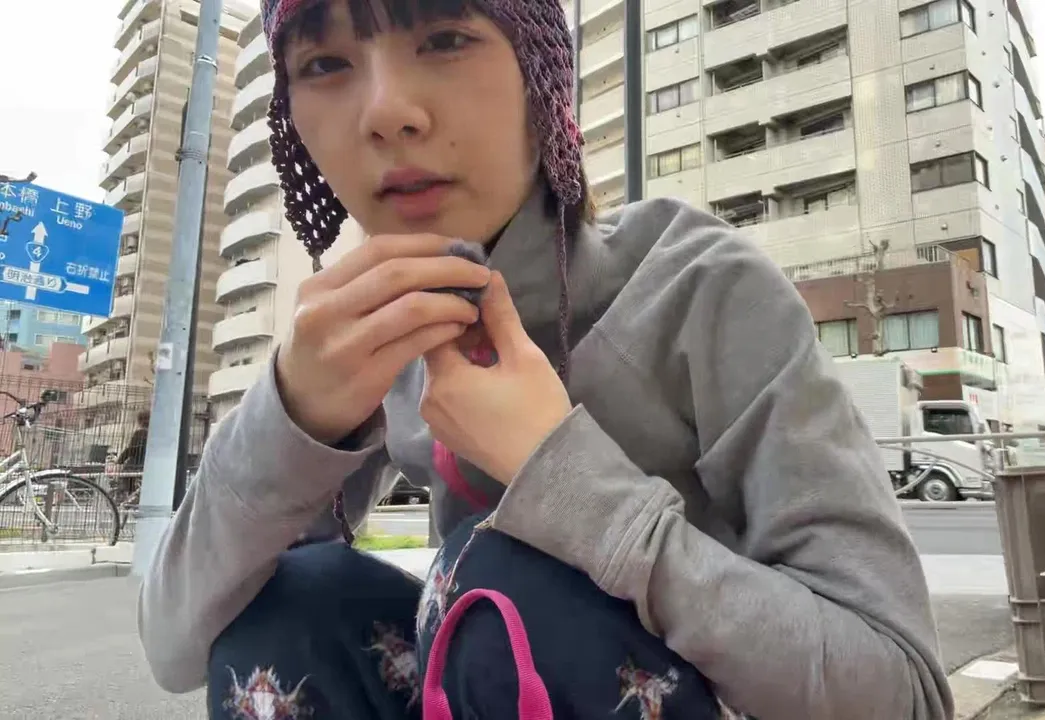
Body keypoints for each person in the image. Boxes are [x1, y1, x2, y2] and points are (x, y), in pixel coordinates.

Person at [138, 0, 953, 718]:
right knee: (294, 608)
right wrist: (292, 417)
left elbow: (904, 696)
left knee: (504, 580)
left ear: (542, 75)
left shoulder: (698, 288)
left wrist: (561, 477)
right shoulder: (380, 340)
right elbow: (176, 646)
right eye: (324, 64)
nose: (386, 112)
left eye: (445, 38)